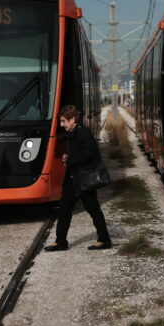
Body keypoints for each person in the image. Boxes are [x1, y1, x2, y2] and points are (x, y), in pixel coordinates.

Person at [44, 104, 113, 252]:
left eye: (63, 121)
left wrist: (70, 160)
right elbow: (78, 153)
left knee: (93, 209)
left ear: (72, 119)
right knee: (64, 209)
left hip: (83, 179)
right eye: (61, 122)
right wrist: (67, 156)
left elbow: (90, 155)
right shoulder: (73, 134)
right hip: (73, 178)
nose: (62, 125)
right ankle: (60, 241)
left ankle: (104, 239)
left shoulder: (83, 133)